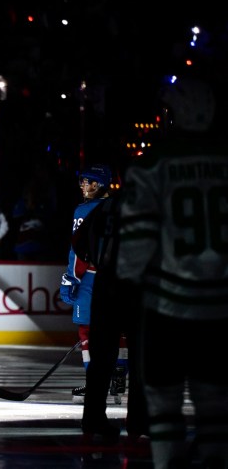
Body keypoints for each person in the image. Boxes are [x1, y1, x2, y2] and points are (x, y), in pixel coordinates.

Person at [116, 76, 228, 468]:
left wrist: (126, 279)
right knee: (214, 402)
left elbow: (138, 239)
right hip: (220, 305)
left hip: (168, 304)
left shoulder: (153, 163)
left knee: (163, 403)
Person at [71, 187, 148, 440]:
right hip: (138, 286)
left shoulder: (105, 207)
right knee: (141, 359)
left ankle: (92, 419)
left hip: (105, 284)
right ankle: (139, 422)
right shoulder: (153, 204)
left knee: (101, 358)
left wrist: (99, 260)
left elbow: (79, 242)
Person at [59, 164, 127, 404]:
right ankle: (119, 375)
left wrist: (71, 278)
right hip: (119, 276)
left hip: (91, 276)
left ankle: (94, 382)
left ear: (100, 184)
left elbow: (78, 250)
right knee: (118, 328)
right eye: (82, 181)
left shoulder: (84, 210)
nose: (83, 186)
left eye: (88, 182)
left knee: (86, 329)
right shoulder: (122, 209)